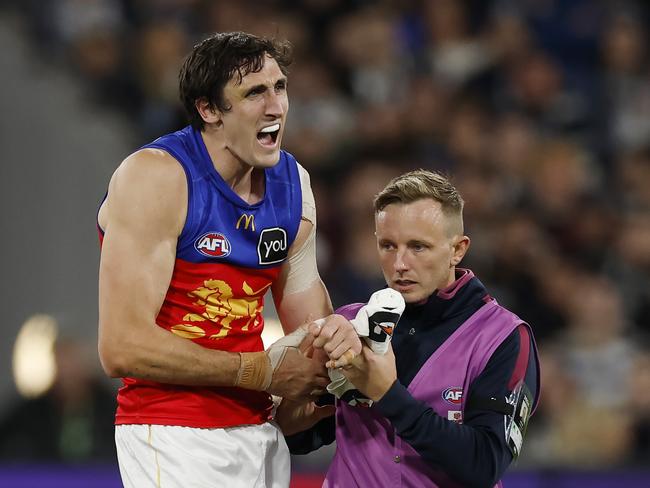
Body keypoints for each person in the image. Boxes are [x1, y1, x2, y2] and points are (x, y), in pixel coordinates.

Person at [96, 31, 360, 488]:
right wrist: (258, 371)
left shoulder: (293, 185)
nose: (275, 106)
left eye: (280, 87)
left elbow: (310, 335)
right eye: (255, 92)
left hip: (261, 433)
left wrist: (344, 366)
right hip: (173, 432)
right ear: (209, 110)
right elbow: (121, 346)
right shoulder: (156, 177)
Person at [280, 169, 540, 487]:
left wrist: (386, 394)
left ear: (457, 250)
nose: (400, 264)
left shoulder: (504, 337)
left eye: (418, 247)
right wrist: (301, 386)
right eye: (388, 246)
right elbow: (301, 438)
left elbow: (484, 464)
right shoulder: (350, 325)